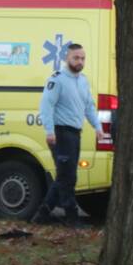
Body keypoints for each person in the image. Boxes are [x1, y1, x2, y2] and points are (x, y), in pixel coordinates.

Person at [31, 43, 108, 226]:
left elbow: (89, 106)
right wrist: (49, 132)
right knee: (68, 177)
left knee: (64, 176)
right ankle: (72, 218)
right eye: (76, 57)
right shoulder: (57, 80)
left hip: (75, 133)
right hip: (60, 132)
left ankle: (41, 215)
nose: (80, 61)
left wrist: (97, 127)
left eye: (82, 58)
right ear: (67, 58)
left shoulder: (83, 80)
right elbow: (46, 106)